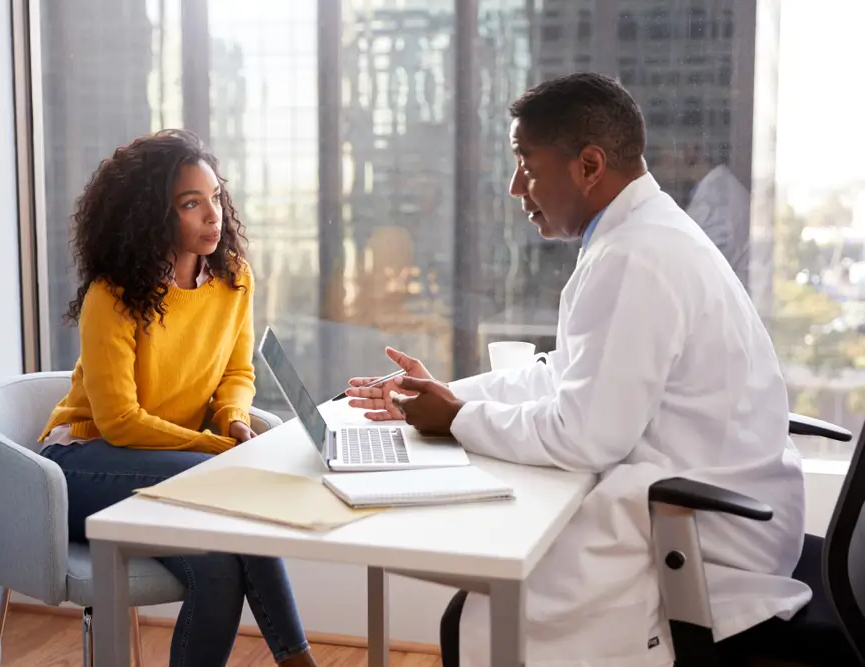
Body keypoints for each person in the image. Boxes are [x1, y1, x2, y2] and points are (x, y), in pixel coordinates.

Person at [346, 73, 808, 667]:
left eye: (527, 165)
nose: (516, 187)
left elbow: (587, 435)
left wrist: (457, 419)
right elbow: (565, 372)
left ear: (588, 165)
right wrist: (443, 395)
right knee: (485, 594)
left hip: (706, 534)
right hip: (715, 500)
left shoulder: (636, 256)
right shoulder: (639, 234)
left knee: (484, 616)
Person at [38, 129, 318, 667]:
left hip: (175, 468)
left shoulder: (233, 280)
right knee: (238, 488)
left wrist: (232, 419)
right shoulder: (112, 296)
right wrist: (217, 452)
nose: (213, 215)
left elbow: (237, 371)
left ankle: (294, 659)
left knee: (217, 568)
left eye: (215, 197)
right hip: (80, 467)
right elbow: (119, 422)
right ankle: (299, 661)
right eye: (191, 204)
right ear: (151, 216)